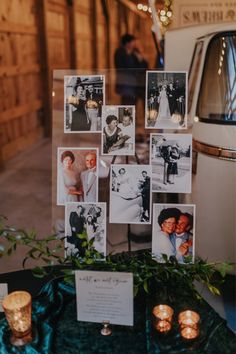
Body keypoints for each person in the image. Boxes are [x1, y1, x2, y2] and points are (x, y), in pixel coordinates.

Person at [114, 33, 148, 105]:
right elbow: (125, 67)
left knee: (133, 104)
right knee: (127, 104)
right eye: (133, 42)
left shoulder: (134, 52)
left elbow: (144, 66)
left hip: (135, 84)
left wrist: (141, 59)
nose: (134, 44)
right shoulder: (120, 52)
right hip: (126, 84)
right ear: (127, 43)